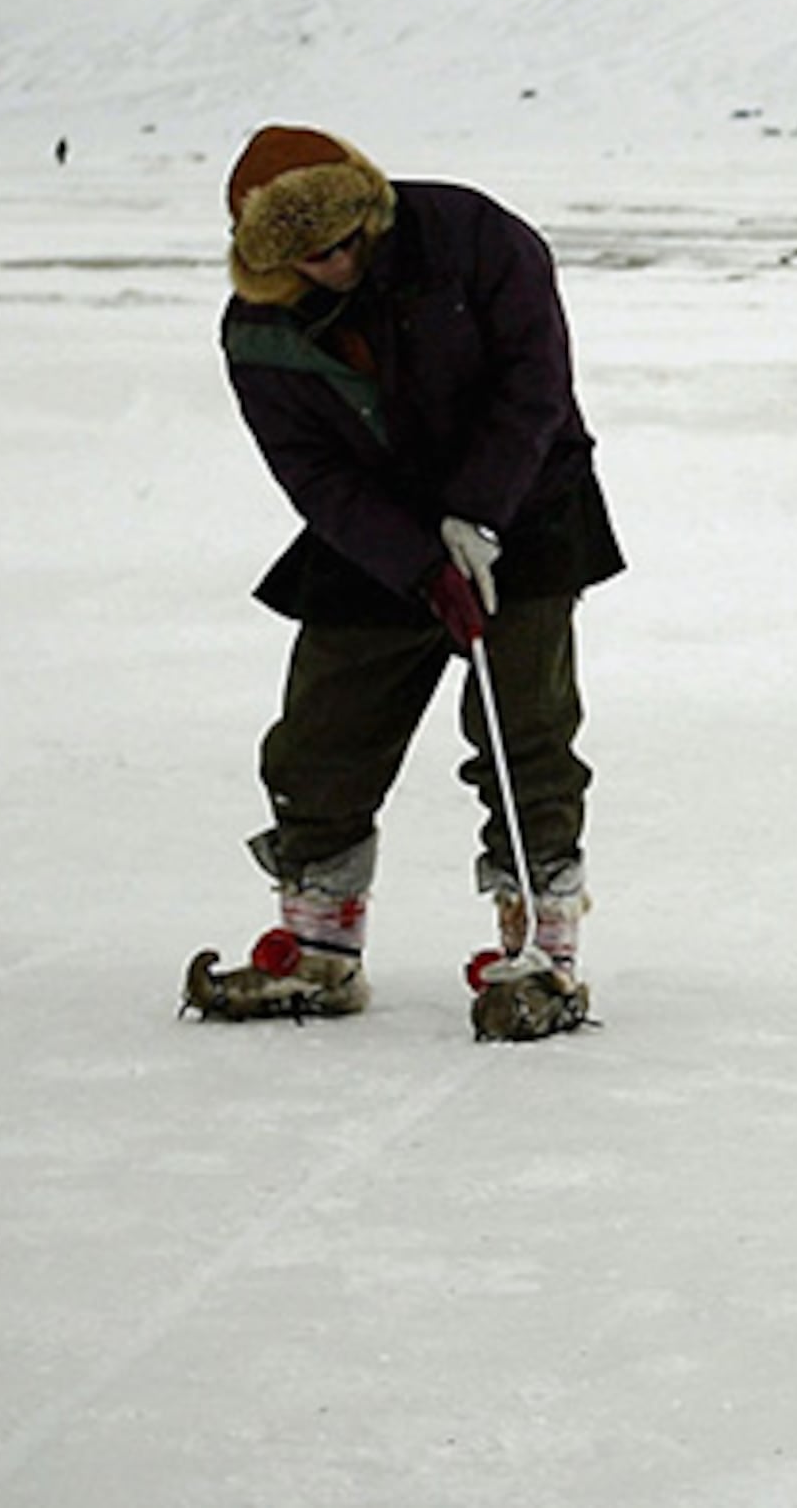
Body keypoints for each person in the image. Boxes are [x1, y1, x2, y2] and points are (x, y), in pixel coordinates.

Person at [183, 126, 621, 1040]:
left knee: (523, 730)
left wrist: (477, 516)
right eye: (316, 255)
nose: (341, 263)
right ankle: (320, 945)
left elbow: (534, 384)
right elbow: (314, 472)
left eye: (351, 240)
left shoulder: (474, 237)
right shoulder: (258, 328)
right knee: (322, 733)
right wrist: (418, 560)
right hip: (375, 525)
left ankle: (542, 950)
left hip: (528, 499)